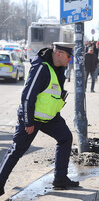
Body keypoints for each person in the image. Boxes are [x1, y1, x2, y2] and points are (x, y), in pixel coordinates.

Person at [0, 43, 79, 196]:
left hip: (50, 118)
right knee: (17, 150)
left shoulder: (60, 68)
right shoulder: (41, 68)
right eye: (69, 56)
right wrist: (28, 122)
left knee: (65, 138)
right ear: (59, 54)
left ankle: (60, 179)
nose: (71, 59)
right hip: (32, 118)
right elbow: (27, 96)